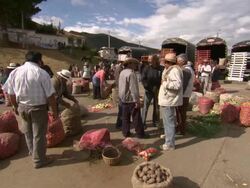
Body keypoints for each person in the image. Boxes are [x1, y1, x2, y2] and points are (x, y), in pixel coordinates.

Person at [2, 51, 58, 168]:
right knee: (39, 135)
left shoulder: (15, 72)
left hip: (22, 106)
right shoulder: (42, 73)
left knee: (28, 132)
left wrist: (15, 106)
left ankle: (33, 152)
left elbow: (10, 92)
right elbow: (50, 96)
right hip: (38, 108)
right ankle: (39, 160)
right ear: (39, 61)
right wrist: (54, 111)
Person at [158, 53, 183, 150]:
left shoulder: (174, 71)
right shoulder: (170, 69)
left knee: (169, 122)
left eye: (165, 62)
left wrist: (164, 83)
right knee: (167, 121)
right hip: (167, 99)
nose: (164, 64)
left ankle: (170, 144)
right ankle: (168, 136)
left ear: (168, 62)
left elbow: (177, 85)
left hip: (169, 100)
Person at [118, 58, 148, 138]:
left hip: (123, 98)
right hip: (131, 99)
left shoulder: (122, 72)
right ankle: (140, 134)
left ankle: (125, 132)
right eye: (135, 64)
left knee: (125, 117)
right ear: (130, 64)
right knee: (136, 117)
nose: (136, 66)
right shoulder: (131, 74)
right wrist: (137, 101)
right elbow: (133, 89)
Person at [141, 55, 163, 129]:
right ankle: (142, 123)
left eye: (151, 59)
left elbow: (162, 79)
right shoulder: (146, 68)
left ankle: (155, 122)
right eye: (149, 59)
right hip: (149, 91)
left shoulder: (161, 68)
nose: (149, 61)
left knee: (156, 107)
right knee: (145, 107)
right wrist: (149, 87)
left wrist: (159, 87)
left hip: (158, 91)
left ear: (155, 60)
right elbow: (143, 80)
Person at [176, 54, 194, 135]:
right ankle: (181, 128)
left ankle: (182, 130)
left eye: (178, 61)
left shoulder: (186, 70)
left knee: (181, 113)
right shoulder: (188, 69)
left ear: (183, 61)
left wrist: (178, 95)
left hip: (183, 95)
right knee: (181, 113)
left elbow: (184, 84)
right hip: (185, 95)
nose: (177, 62)